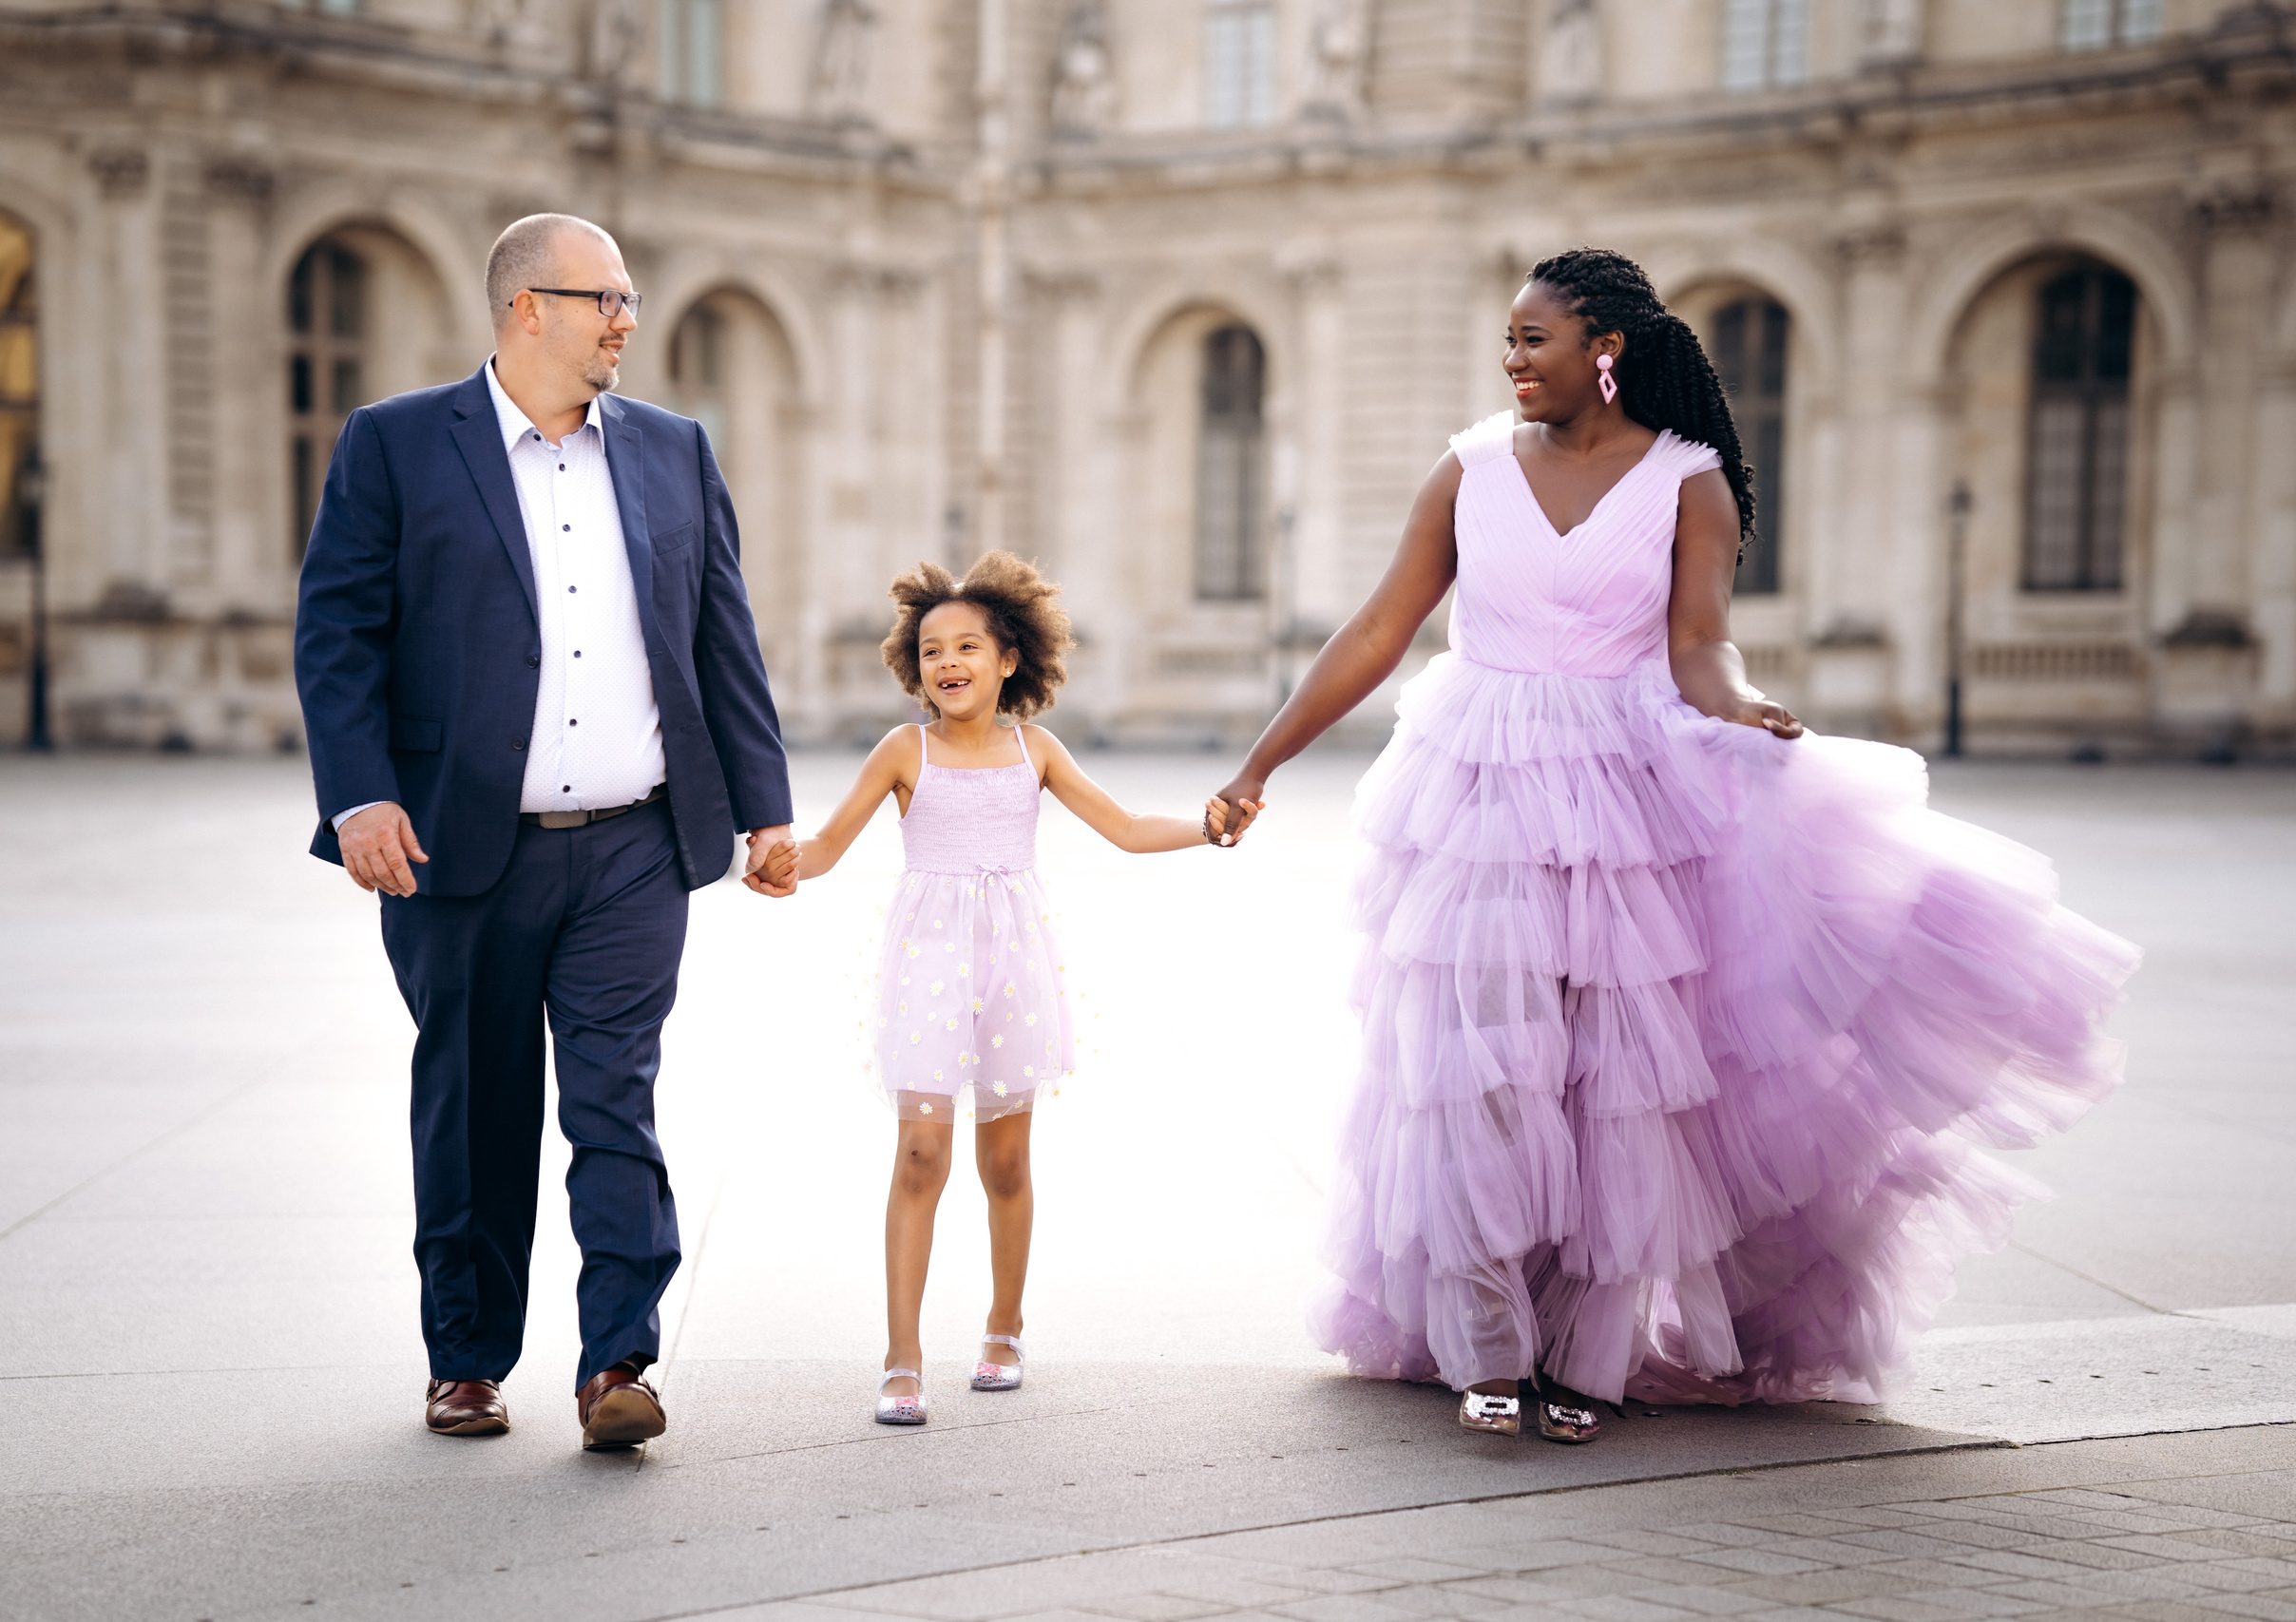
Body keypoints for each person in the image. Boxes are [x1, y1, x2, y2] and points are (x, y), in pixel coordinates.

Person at [1209, 247, 2138, 1443]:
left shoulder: (1689, 481)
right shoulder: (1469, 468)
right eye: (1507, 339)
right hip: (1475, 788)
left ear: (1604, 348)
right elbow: (1381, 627)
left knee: (1615, 1088)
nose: (1511, 359)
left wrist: (1739, 704)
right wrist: (1260, 763)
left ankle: (1582, 1358)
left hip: (1626, 792)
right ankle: (1488, 1349)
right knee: (1479, 1072)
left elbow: (1698, 643)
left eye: (1533, 338)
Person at [293, 213, 795, 1451]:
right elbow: (337, 632)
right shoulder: (398, 443)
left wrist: (765, 806)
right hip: (458, 844)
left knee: (616, 1098)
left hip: (636, 844)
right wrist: (359, 796)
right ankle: (466, 1358)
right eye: (604, 298)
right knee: (475, 1102)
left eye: (628, 298)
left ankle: (618, 1358)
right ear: (527, 307)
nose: (627, 319)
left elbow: (720, 634)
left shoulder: (675, 449)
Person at [756, 552, 1251, 1424]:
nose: (948, 662)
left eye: (967, 647)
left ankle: (1005, 1325)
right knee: (921, 1154)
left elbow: (1125, 826)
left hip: (1014, 966)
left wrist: (1205, 828)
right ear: (915, 667)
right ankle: (902, 1355)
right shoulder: (903, 750)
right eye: (932, 650)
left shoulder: (1036, 750)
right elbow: (827, 845)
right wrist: (784, 862)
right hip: (927, 966)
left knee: (1008, 1160)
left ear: (1009, 658)